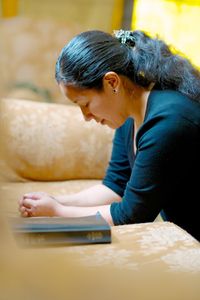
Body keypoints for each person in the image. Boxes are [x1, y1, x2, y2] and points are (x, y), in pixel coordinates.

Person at [19, 29, 200, 241]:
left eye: (85, 104)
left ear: (112, 82)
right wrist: (55, 201)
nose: (86, 116)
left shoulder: (167, 122)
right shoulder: (129, 112)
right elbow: (115, 186)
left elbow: (131, 216)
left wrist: (57, 212)